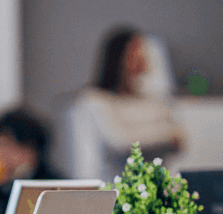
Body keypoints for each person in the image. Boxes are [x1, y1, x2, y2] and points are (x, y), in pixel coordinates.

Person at [70, 26, 185, 182]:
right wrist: (164, 136)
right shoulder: (94, 100)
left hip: (153, 189)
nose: (142, 57)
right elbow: (120, 141)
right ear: (119, 57)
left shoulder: (152, 99)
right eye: (136, 51)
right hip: (112, 189)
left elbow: (180, 137)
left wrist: (140, 135)